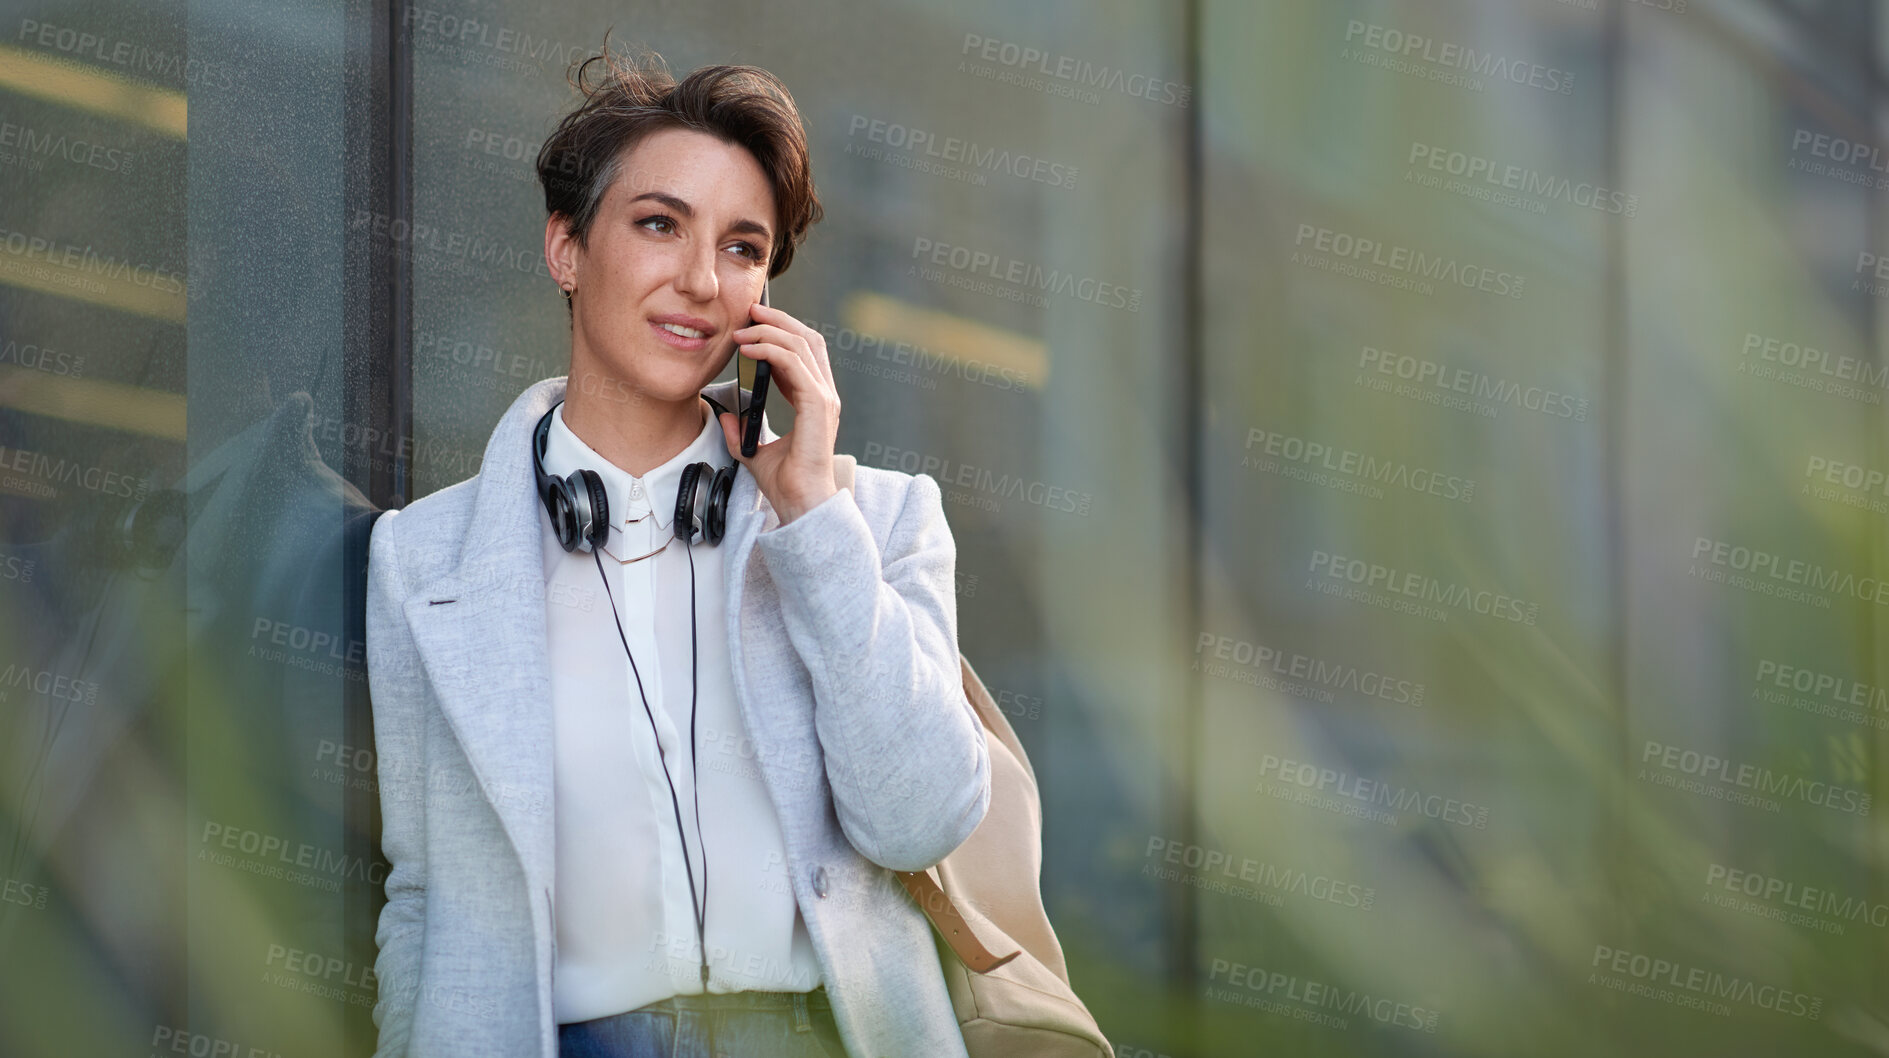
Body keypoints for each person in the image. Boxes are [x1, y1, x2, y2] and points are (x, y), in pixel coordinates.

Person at [364, 50, 992, 1058]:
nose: (701, 279)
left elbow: (920, 818)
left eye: (743, 248)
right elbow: (425, 893)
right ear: (566, 247)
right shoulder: (421, 559)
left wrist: (813, 528)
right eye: (660, 224)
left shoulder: (873, 519)